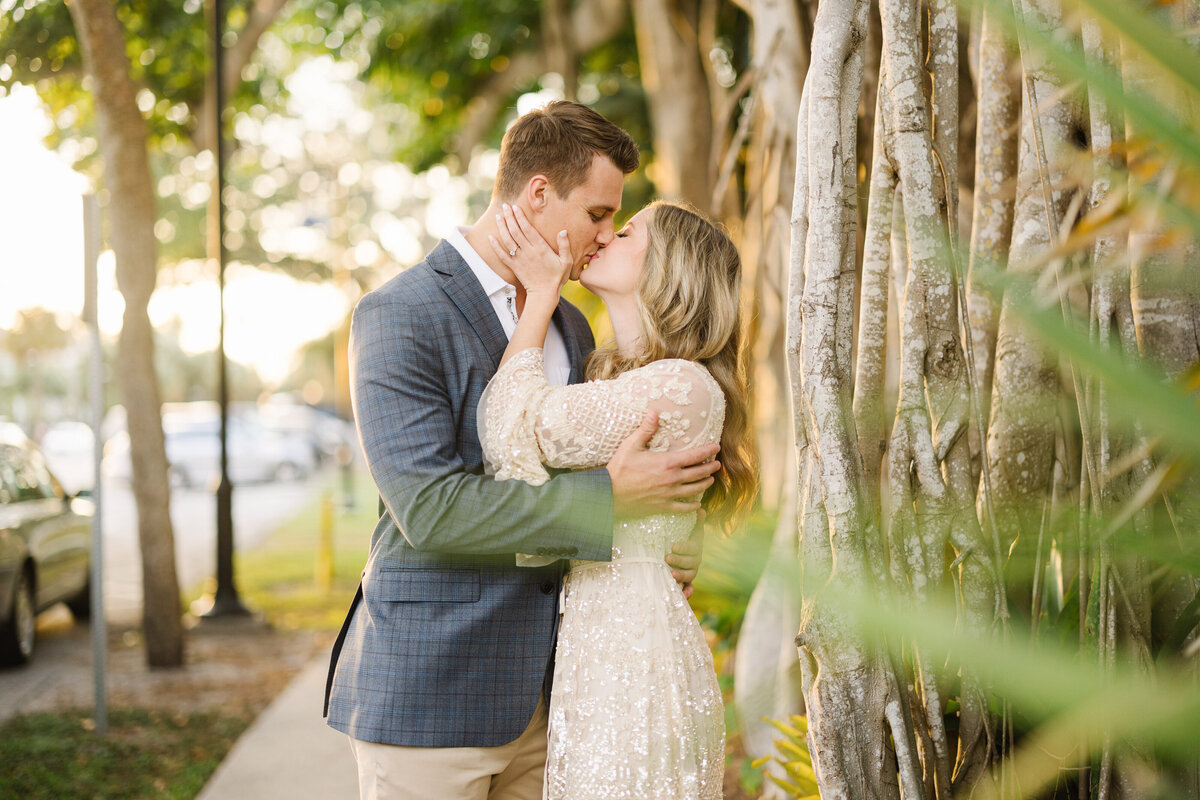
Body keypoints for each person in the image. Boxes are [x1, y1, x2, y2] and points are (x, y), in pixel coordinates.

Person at [323, 100, 723, 800]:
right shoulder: (400, 314)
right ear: (539, 193)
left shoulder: (570, 322)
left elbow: (617, 450)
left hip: (559, 701)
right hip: (432, 699)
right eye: (599, 214)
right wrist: (609, 503)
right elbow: (432, 509)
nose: (601, 237)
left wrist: (667, 538)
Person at [480, 199, 757, 799]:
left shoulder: (677, 384)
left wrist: (540, 295)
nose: (604, 236)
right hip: (600, 645)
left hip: (634, 656)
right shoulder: (618, 376)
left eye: (626, 231)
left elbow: (511, 431)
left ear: (669, 270)